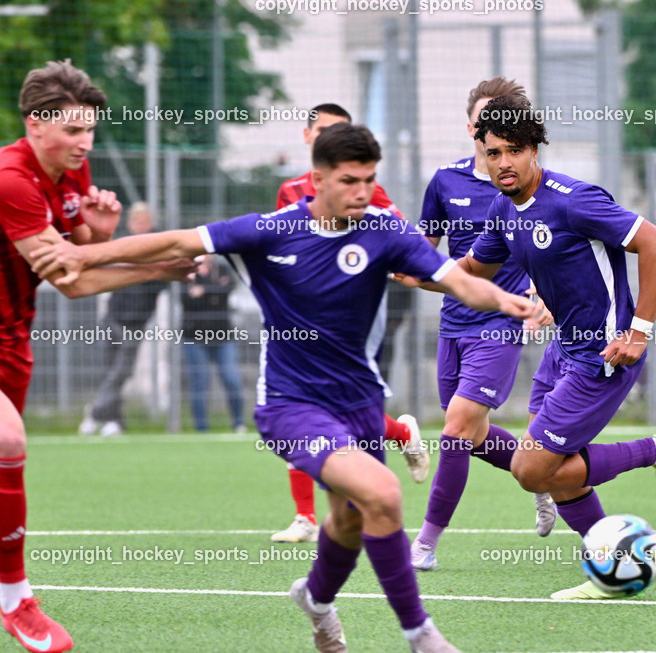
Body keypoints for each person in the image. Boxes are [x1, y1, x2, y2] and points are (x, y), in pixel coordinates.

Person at [31, 122, 538, 652]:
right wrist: (83, 255)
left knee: (348, 518)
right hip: (291, 407)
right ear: (317, 178)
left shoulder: (385, 230)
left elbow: (453, 278)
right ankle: (421, 634)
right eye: (349, 181)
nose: (362, 192)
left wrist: (500, 300)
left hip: (362, 404)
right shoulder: (271, 231)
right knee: (383, 496)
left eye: (369, 179)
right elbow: (178, 240)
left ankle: (316, 601)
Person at [401, 95, 656, 601]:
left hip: (604, 355)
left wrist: (639, 331)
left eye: (513, 151)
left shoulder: (573, 200)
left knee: (531, 468)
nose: (503, 163)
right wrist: (417, 272)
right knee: (556, 468)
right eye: (493, 153)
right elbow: (473, 273)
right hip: (564, 351)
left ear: (534, 149)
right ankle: (611, 569)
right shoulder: (501, 208)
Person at [0, 60, 194, 653]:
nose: (85, 143)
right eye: (73, 131)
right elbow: (73, 281)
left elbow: (80, 262)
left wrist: (98, 236)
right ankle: (15, 599)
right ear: (36, 124)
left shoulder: (71, 178)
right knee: (7, 444)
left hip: (12, 338)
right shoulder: (12, 179)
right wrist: (162, 264)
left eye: (90, 131)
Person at [410, 78, 556, 572]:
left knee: (454, 432)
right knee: (472, 436)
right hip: (452, 323)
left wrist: (542, 295)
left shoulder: (526, 183)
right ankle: (548, 476)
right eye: (485, 119)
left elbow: (551, 246)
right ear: (471, 126)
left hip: (498, 327)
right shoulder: (445, 181)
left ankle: (425, 545)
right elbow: (423, 253)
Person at [273, 103, 425, 545]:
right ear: (307, 137)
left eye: (339, 132)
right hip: (302, 313)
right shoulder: (291, 190)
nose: (330, 140)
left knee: (327, 405)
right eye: (322, 131)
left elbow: (401, 233)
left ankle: (383, 454)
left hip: (354, 311)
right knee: (299, 402)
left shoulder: (363, 189)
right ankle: (307, 514)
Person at [78, 202, 166, 436]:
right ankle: (115, 420)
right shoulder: (120, 246)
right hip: (113, 316)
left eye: (145, 221)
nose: (141, 226)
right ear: (130, 223)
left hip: (136, 322)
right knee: (108, 370)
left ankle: (96, 412)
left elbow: (162, 282)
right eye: (137, 221)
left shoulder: (160, 250)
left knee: (121, 372)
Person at [181, 255, 246, 432]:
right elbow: (186, 300)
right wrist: (215, 289)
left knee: (231, 379)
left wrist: (203, 291)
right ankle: (201, 427)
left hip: (223, 336)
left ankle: (239, 422)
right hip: (193, 337)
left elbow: (229, 288)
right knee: (200, 382)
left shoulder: (222, 268)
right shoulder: (186, 271)